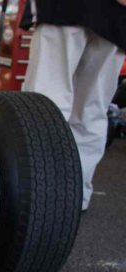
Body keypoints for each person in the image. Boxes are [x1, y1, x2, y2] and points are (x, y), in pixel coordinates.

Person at [21, 0, 126, 211]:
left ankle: (36, 192)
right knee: (91, 111)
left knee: (44, 105)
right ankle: (76, 197)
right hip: (117, 17)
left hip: (66, 8)